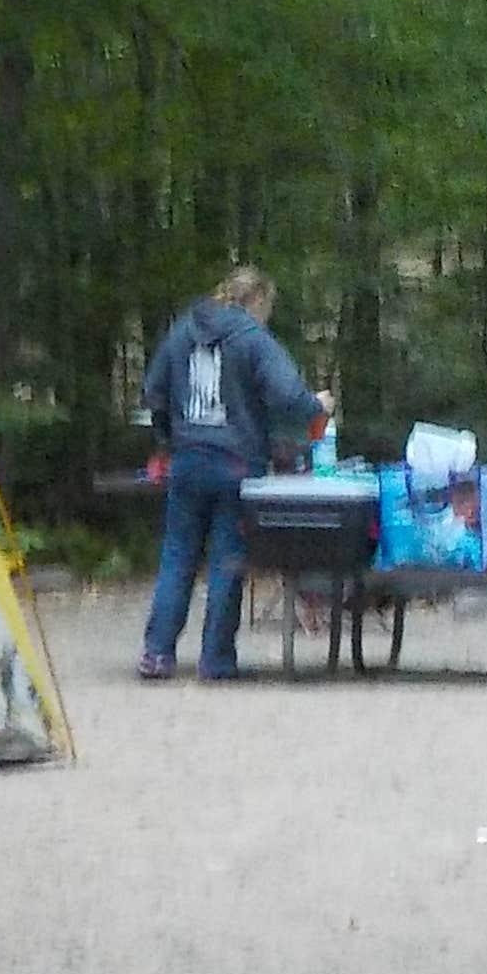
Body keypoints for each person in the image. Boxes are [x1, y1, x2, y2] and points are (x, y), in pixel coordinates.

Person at [137, 265, 326, 682]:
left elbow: (154, 392)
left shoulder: (183, 330)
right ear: (256, 301)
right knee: (228, 561)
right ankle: (216, 660)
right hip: (237, 464)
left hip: (188, 459)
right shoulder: (252, 338)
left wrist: (168, 441)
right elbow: (288, 394)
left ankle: (157, 652)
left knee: (177, 556)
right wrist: (317, 407)